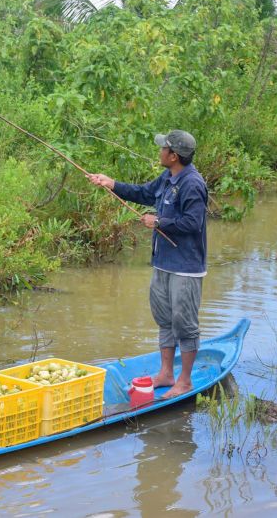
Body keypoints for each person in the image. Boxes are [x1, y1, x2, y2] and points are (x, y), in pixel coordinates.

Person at [88, 130, 207, 398]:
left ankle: (184, 381)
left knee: (185, 325)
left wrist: (159, 222)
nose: (160, 151)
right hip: (163, 263)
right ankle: (166, 373)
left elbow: (193, 223)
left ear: (174, 156)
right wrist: (111, 183)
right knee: (165, 320)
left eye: (163, 148)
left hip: (185, 268)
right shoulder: (168, 177)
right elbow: (143, 193)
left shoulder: (192, 184)